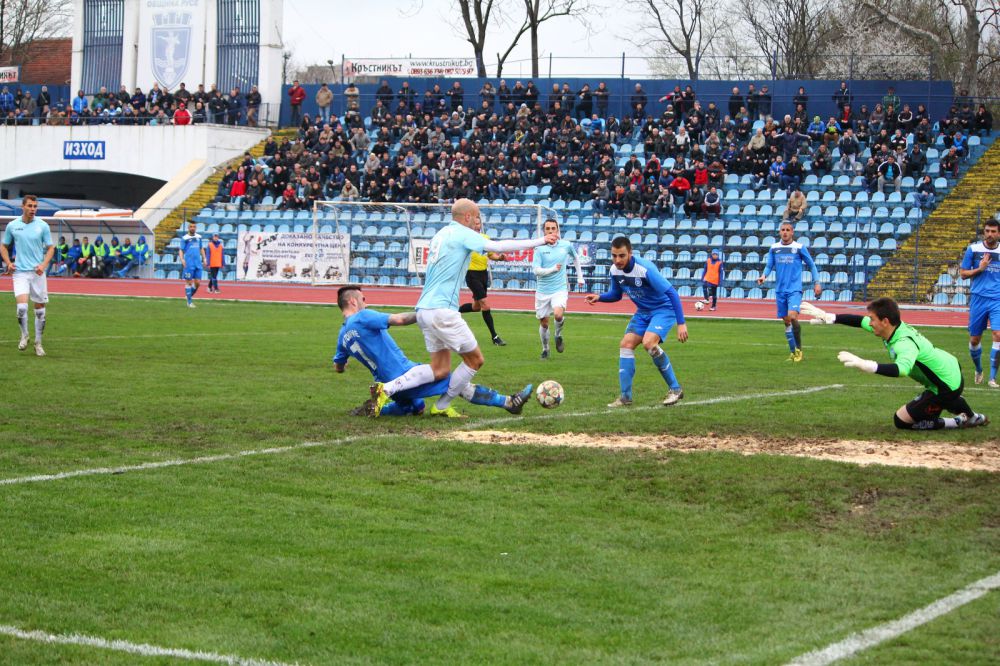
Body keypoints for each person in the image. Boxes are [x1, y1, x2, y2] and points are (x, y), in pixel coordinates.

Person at [371, 198, 556, 418]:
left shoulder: (441, 234)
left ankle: (388, 388)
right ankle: (441, 406)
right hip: (443, 310)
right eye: (477, 217)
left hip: (424, 310)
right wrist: (541, 240)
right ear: (467, 217)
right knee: (475, 360)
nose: (478, 221)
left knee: (439, 369)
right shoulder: (462, 233)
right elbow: (497, 246)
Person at [334, 286, 532, 417]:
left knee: (417, 406)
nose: (366, 303)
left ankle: (376, 408)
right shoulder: (363, 316)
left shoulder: (342, 336)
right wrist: (423, 315)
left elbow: (338, 367)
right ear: (353, 301)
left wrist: (346, 364)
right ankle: (508, 402)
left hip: (385, 379)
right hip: (404, 375)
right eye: (363, 299)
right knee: (457, 382)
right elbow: (399, 320)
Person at [802, 299, 989, 429]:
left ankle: (956, 422)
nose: (870, 322)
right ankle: (973, 417)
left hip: (946, 385)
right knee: (944, 399)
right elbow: (859, 321)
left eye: (873, 319)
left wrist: (868, 365)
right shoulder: (890, 327)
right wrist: (829, 317)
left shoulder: (903, 343)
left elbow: (902, 369)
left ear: (885, 321)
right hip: (949, 369)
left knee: (901, 421)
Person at [585, 235, 688, 407]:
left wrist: (681, 323)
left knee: (649, 343)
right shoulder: (614, 271)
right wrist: (600, 297)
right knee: (626, 344)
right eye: (614, 255)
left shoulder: (644, 269)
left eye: (622, 256)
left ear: (630, 253)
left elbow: (672, 293)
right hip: (643, 312)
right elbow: (616, 295)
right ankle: (625, 397)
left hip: (663, 309)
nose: (617, 260)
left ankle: (675, 389)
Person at [757, 221, 822, 362]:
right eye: (782, 230)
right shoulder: (774, 248)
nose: (785, 232)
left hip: (794, 289)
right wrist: (764, 276)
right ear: (780, 232)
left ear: (792, 232)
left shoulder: (799, 247)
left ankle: (799, 350)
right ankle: (793, 352)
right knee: (786, 321)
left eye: (787, 230)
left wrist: (816, 282)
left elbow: (811, 265)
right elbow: (769, 265)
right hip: (780, 290)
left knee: (792, 317)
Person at [0, 195, 53, 356]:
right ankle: (24, 335)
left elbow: (51, 248)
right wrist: (9, 263)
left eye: (35, 206)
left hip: (37, 273)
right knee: (22, 307)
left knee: (40, 312)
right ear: (23, 206)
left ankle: (38, 343)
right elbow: (3, 246)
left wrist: (43, 265)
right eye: (30, 206)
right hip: (20, 272)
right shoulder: (13, 226)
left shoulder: (43, 226)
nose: (32, 209)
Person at [532, 218, 585, 359]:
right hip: (542, 291)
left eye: (553, 228)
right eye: (547, 228)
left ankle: (558, 335)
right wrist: (552, 269)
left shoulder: (566, 245)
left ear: (557, 230)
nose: (550, 231)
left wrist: (580, 277)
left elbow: (576, 258)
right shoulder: (539, 248)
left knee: (558, 314)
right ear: (544, 231)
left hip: (559, 289)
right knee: (544, 323)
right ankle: (545, 348)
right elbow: (536, 270)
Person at [959, 218, 1000, 387]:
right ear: (984, 232)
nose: (990, 234)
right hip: (978, 298)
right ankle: (979, 369)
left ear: (999, 233)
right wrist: (980, 268)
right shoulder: (973, 249)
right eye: (987, 231)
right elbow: (962, 273)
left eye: (993, 231)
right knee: (975, 340)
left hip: (997, 299)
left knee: (998, 335)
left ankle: (992, 377)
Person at [457, 215, 508, 347]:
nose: (477, 225)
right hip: (471, 274)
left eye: (478, 223)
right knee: (485, 305)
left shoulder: (485, 239)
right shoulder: (466, 239)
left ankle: (453, 312)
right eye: (474, 223)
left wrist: (500, 257)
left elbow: (492, 255)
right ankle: (495, 337)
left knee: (476, 307)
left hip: (483, 274)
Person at [179, 221, 207, 308]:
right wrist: (182, 259)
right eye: (191, 226)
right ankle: (189, 302)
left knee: (198, 282)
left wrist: (204, 258)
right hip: (189, 263)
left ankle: (189, 297)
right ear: (188, 228)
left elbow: (201, 248)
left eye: (194, 227)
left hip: (198, 263)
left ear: (196, 228)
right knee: (189, 282)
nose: (192, 228)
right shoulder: (185, 238)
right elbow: (181, 250)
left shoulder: (199, 237)